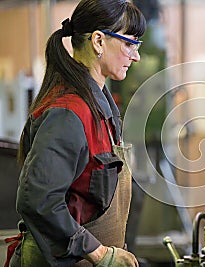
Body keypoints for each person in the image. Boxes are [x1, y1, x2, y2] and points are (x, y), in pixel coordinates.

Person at [7, 0, 146, 266]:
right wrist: (99, 253)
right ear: (98, 41)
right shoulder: (70, 112)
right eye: (130, 43)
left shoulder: (101, 108)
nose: (136, 55)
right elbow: (39, 200)